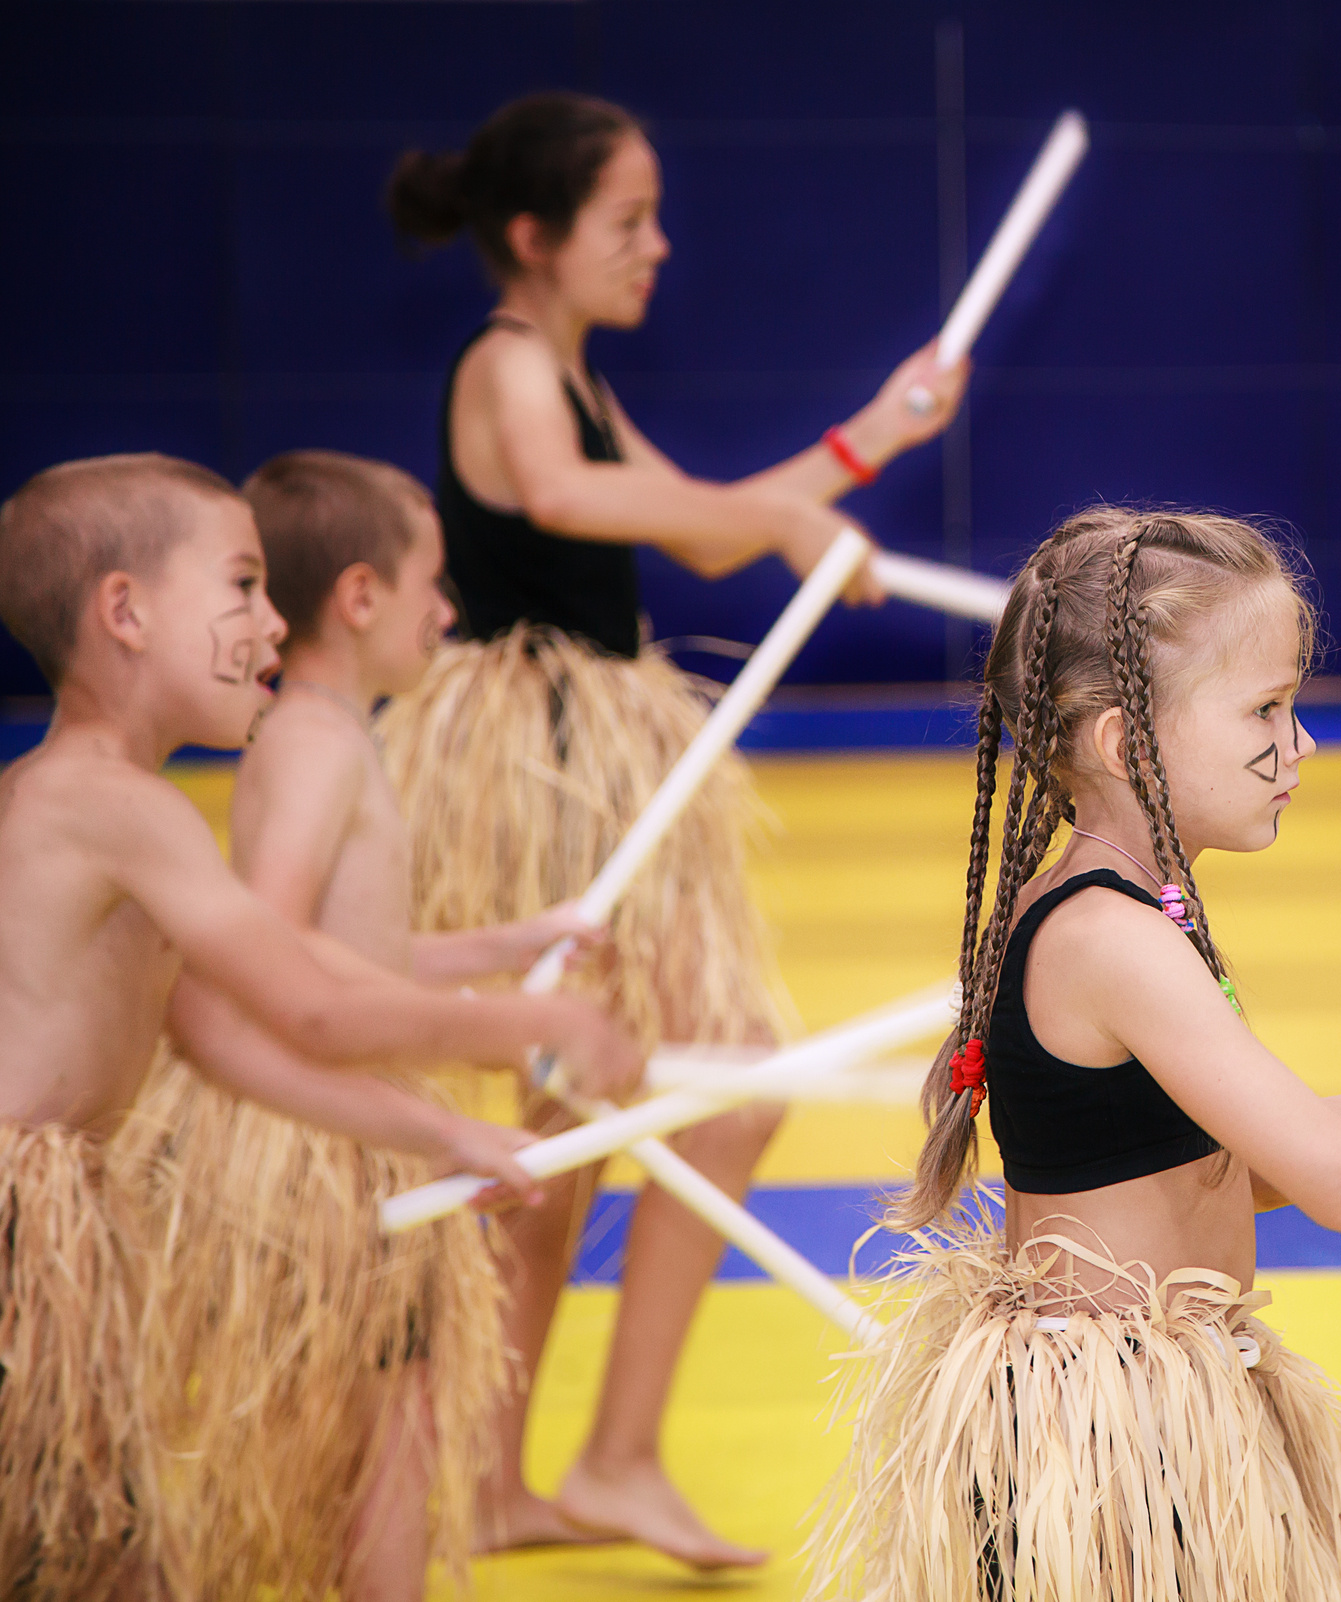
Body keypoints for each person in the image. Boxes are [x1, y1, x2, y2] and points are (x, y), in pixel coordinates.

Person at [804, 507, 1341, 1602]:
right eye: (1267, 708)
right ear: (1126, 744)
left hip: (1151, 1426)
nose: (1300, 743)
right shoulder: (1111, 940)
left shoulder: (1128, 912)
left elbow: (1256, 1161)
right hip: (1115, 1463)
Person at [379, 91, 966, 1565]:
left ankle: (572, 1466)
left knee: (628, 1108)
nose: (658, 247)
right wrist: (785, 521)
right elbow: (567, 494)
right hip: (537, 764)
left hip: (592, 757)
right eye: (627, 221)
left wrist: (873, 435)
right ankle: (561, 1466)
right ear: (535, 236)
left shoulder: (569, 371)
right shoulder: (509, 366)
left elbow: (701, 524)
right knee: (588, 1115)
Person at [0, 453, 639, 1599]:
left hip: (47, 1245)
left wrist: (440, 1133)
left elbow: (216, 1037)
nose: (274, 622)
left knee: (104, 1559)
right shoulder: (106, 804)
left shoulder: (114, 804)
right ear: (124, 613)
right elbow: (309, 1005)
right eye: (241, 587)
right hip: (1, 1263)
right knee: (70, 1557)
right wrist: (531, 1021)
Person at [114, 450, 600, 1600]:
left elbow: (344, 949)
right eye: (433, 584)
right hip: (319, 1146)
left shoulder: (329, 733)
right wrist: (504, 1021)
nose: (449, 612)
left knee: (391, 1416)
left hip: (333, 1130)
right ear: (362, 598)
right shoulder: (317, 742)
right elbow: (278, 948)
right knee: (394, 1431)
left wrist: (504, 944)